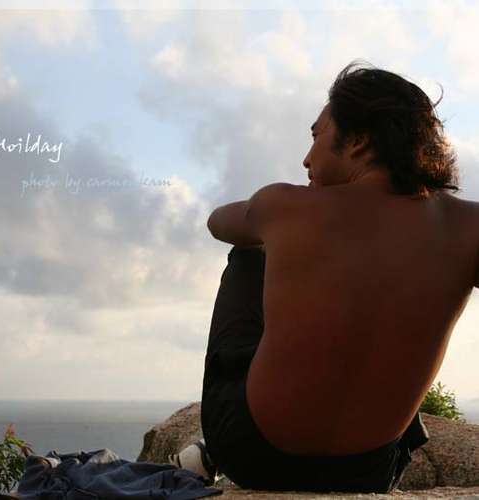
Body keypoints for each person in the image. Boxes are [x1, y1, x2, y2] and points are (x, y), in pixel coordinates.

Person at [171, 60, 479, 493]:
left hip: (253, 455)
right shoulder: (469, 226)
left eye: (316, 136)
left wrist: (275, 222)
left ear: (359, 141)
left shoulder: (283, 207)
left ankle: (210, 453)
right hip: (371, 470)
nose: (306, 157)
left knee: (248, 254)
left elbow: (217, 222)